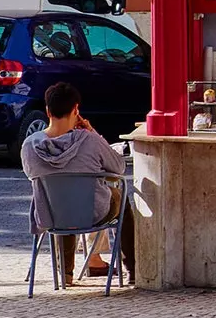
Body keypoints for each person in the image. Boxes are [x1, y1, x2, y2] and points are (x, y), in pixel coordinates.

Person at [20, 82, 133, 283]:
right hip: (94, 214)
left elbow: (31, 175)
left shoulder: (29, 145)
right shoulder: (89, 140)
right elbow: (118, 167)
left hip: (51, 215)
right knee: (121, 197)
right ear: (76, 109)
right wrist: (92, 132)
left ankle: (65, 274)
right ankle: (133, 269)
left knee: (59, 199)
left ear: (47, 111)